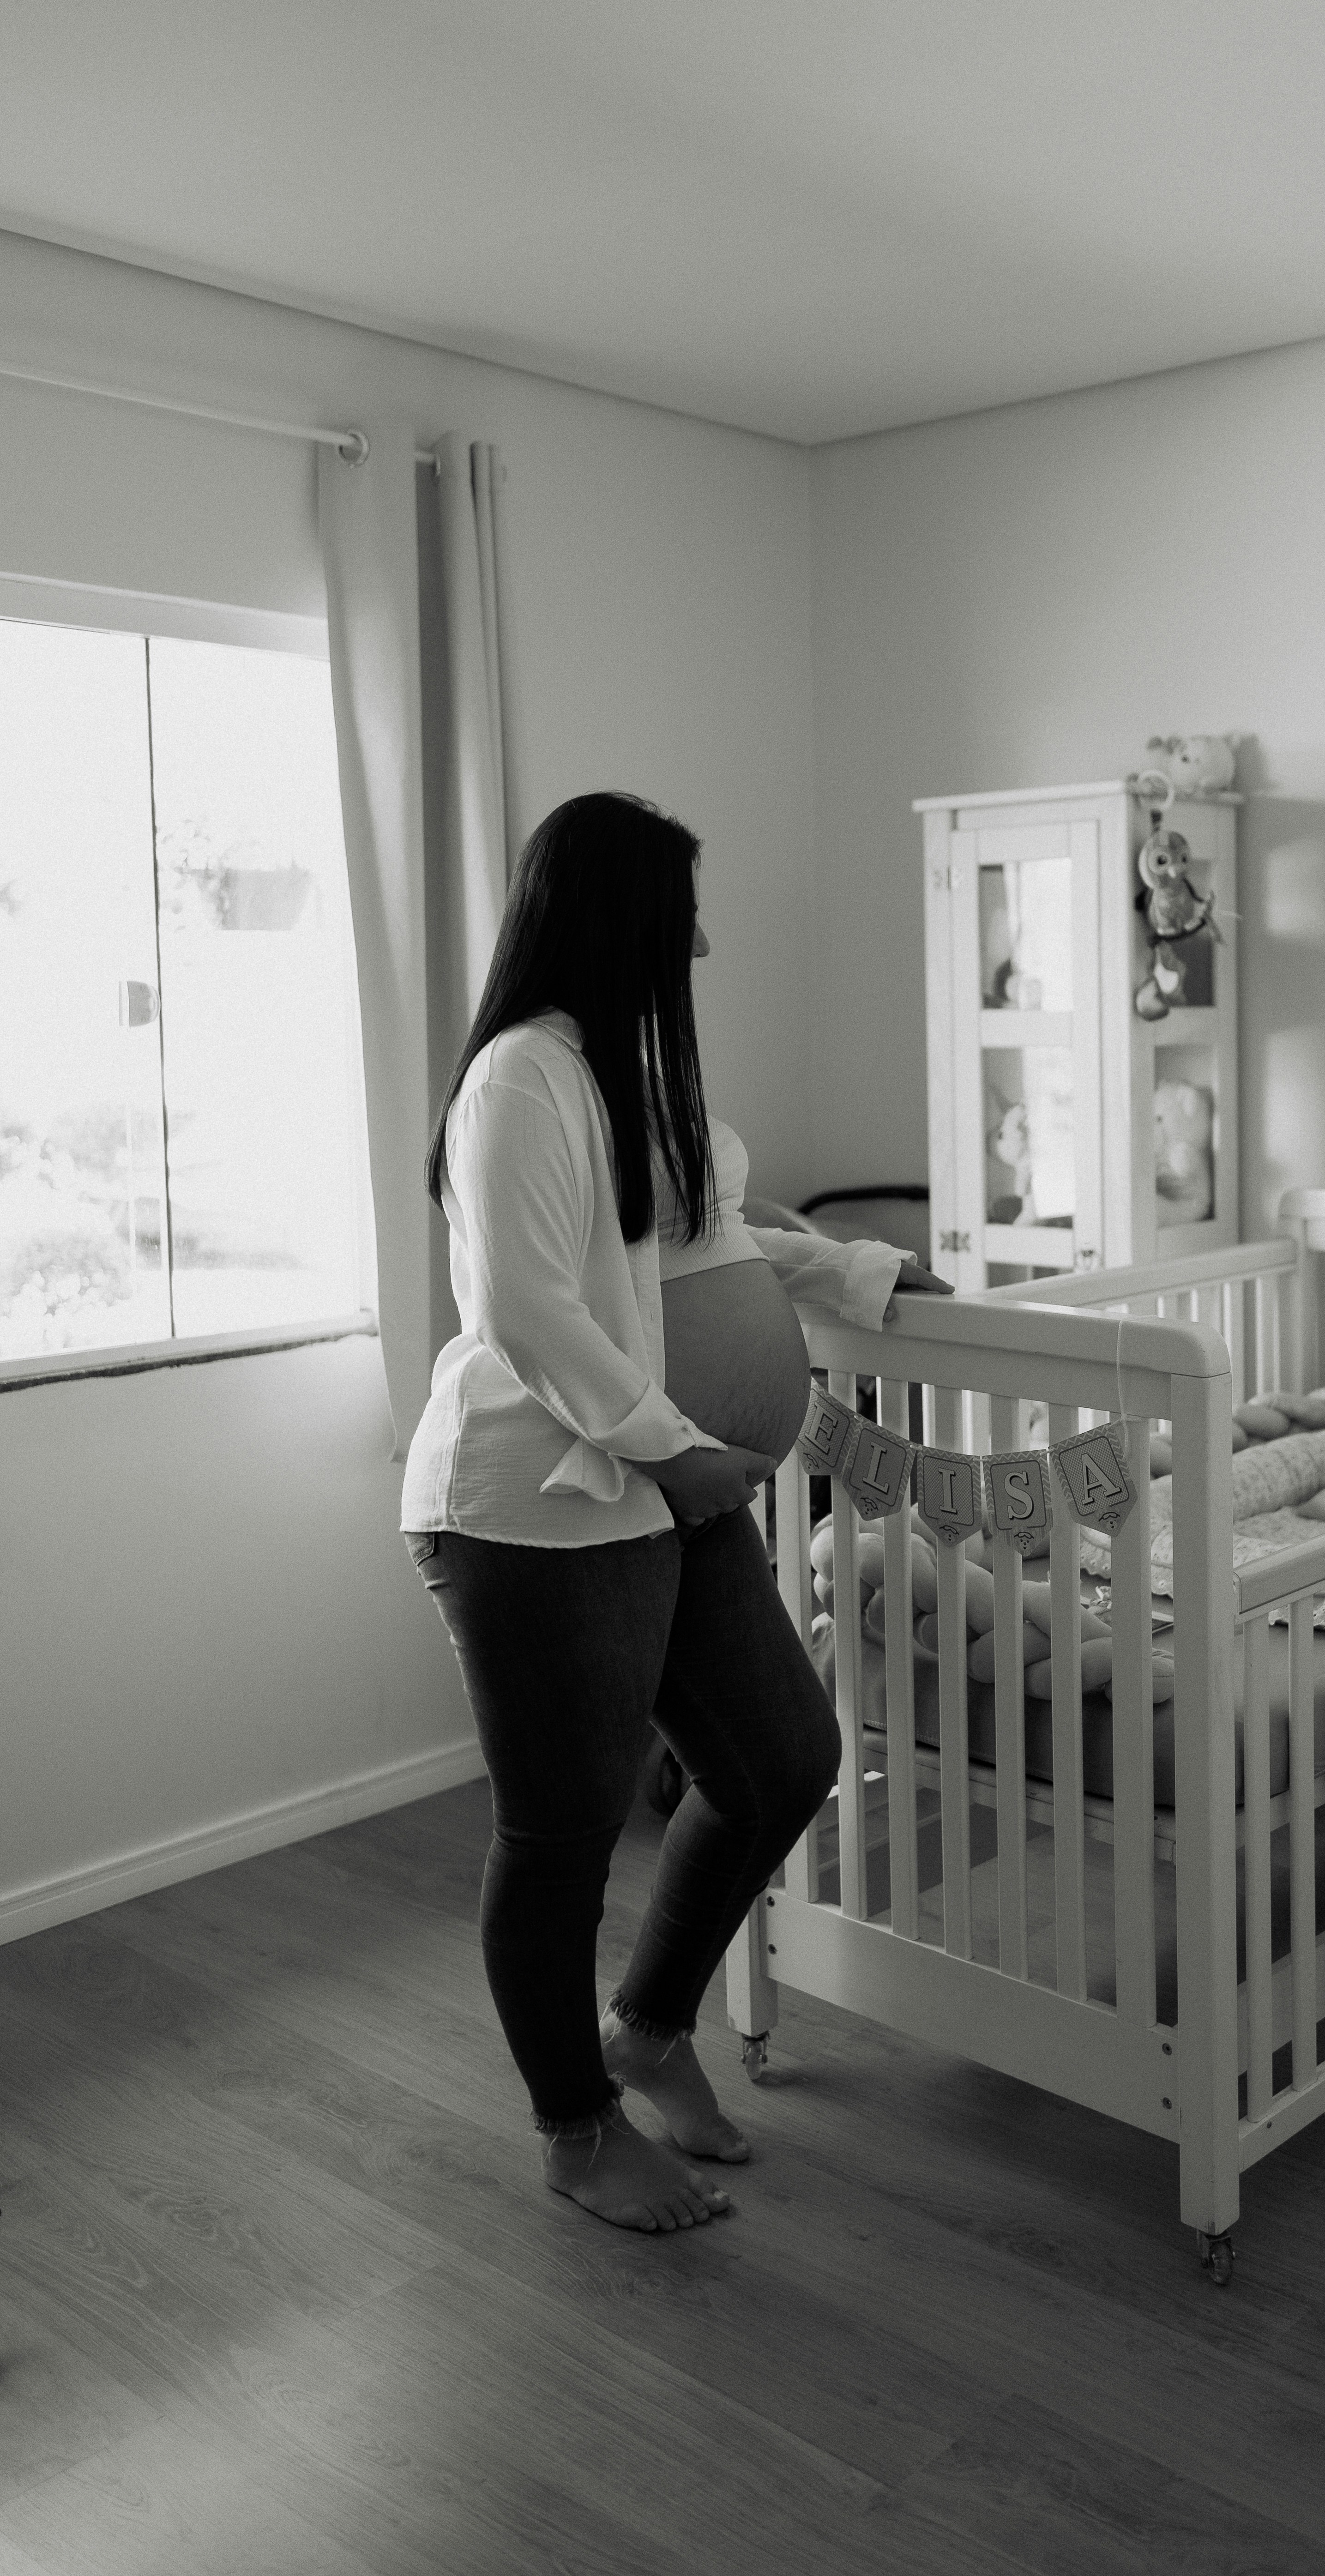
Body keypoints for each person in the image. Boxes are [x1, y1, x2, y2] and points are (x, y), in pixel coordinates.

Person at [401, 790, 948, 2232]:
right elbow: (525, 1307)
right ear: (621, 915)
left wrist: (858, 1277)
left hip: (671, 1492)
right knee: (562, 1832)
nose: (701, 938)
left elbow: (710, 1240)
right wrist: (670, 1443)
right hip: (547, 1508)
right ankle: (576, 2127)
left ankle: (646, 2029)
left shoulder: (629, 1070)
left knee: (782, 1758)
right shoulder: (524, 1077)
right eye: (682, 910)